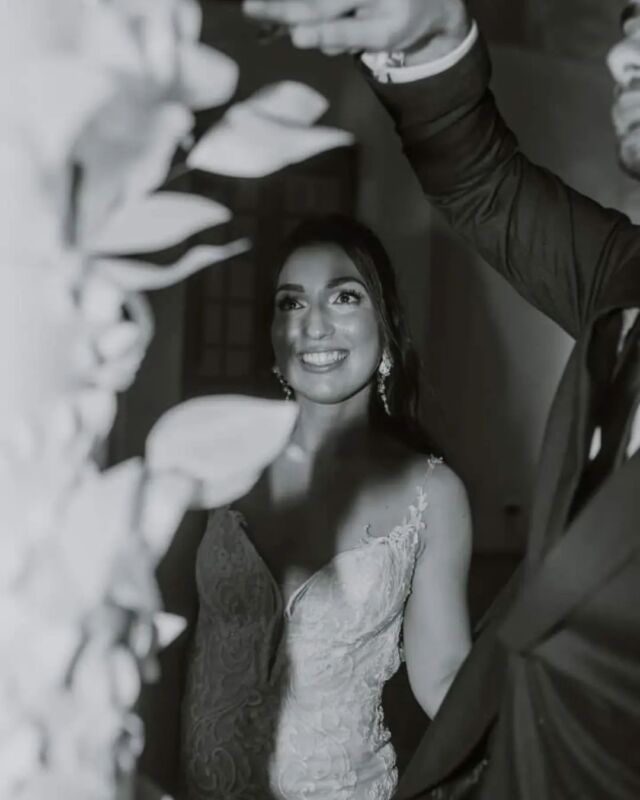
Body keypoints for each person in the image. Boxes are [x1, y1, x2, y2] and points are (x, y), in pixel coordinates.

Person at [240, 2, 640, 799]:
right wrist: (428, 39)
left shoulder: (429, 491)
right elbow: (479, 180)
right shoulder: (619, 278)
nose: (622, 55)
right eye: (631, 18)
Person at [179, 215, 472, 800]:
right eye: (291, 303)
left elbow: (444, 679)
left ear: (384, 324)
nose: (313, 325)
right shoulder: (214, 456)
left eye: (343, 297)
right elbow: (162, 638)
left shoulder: (432, 495)